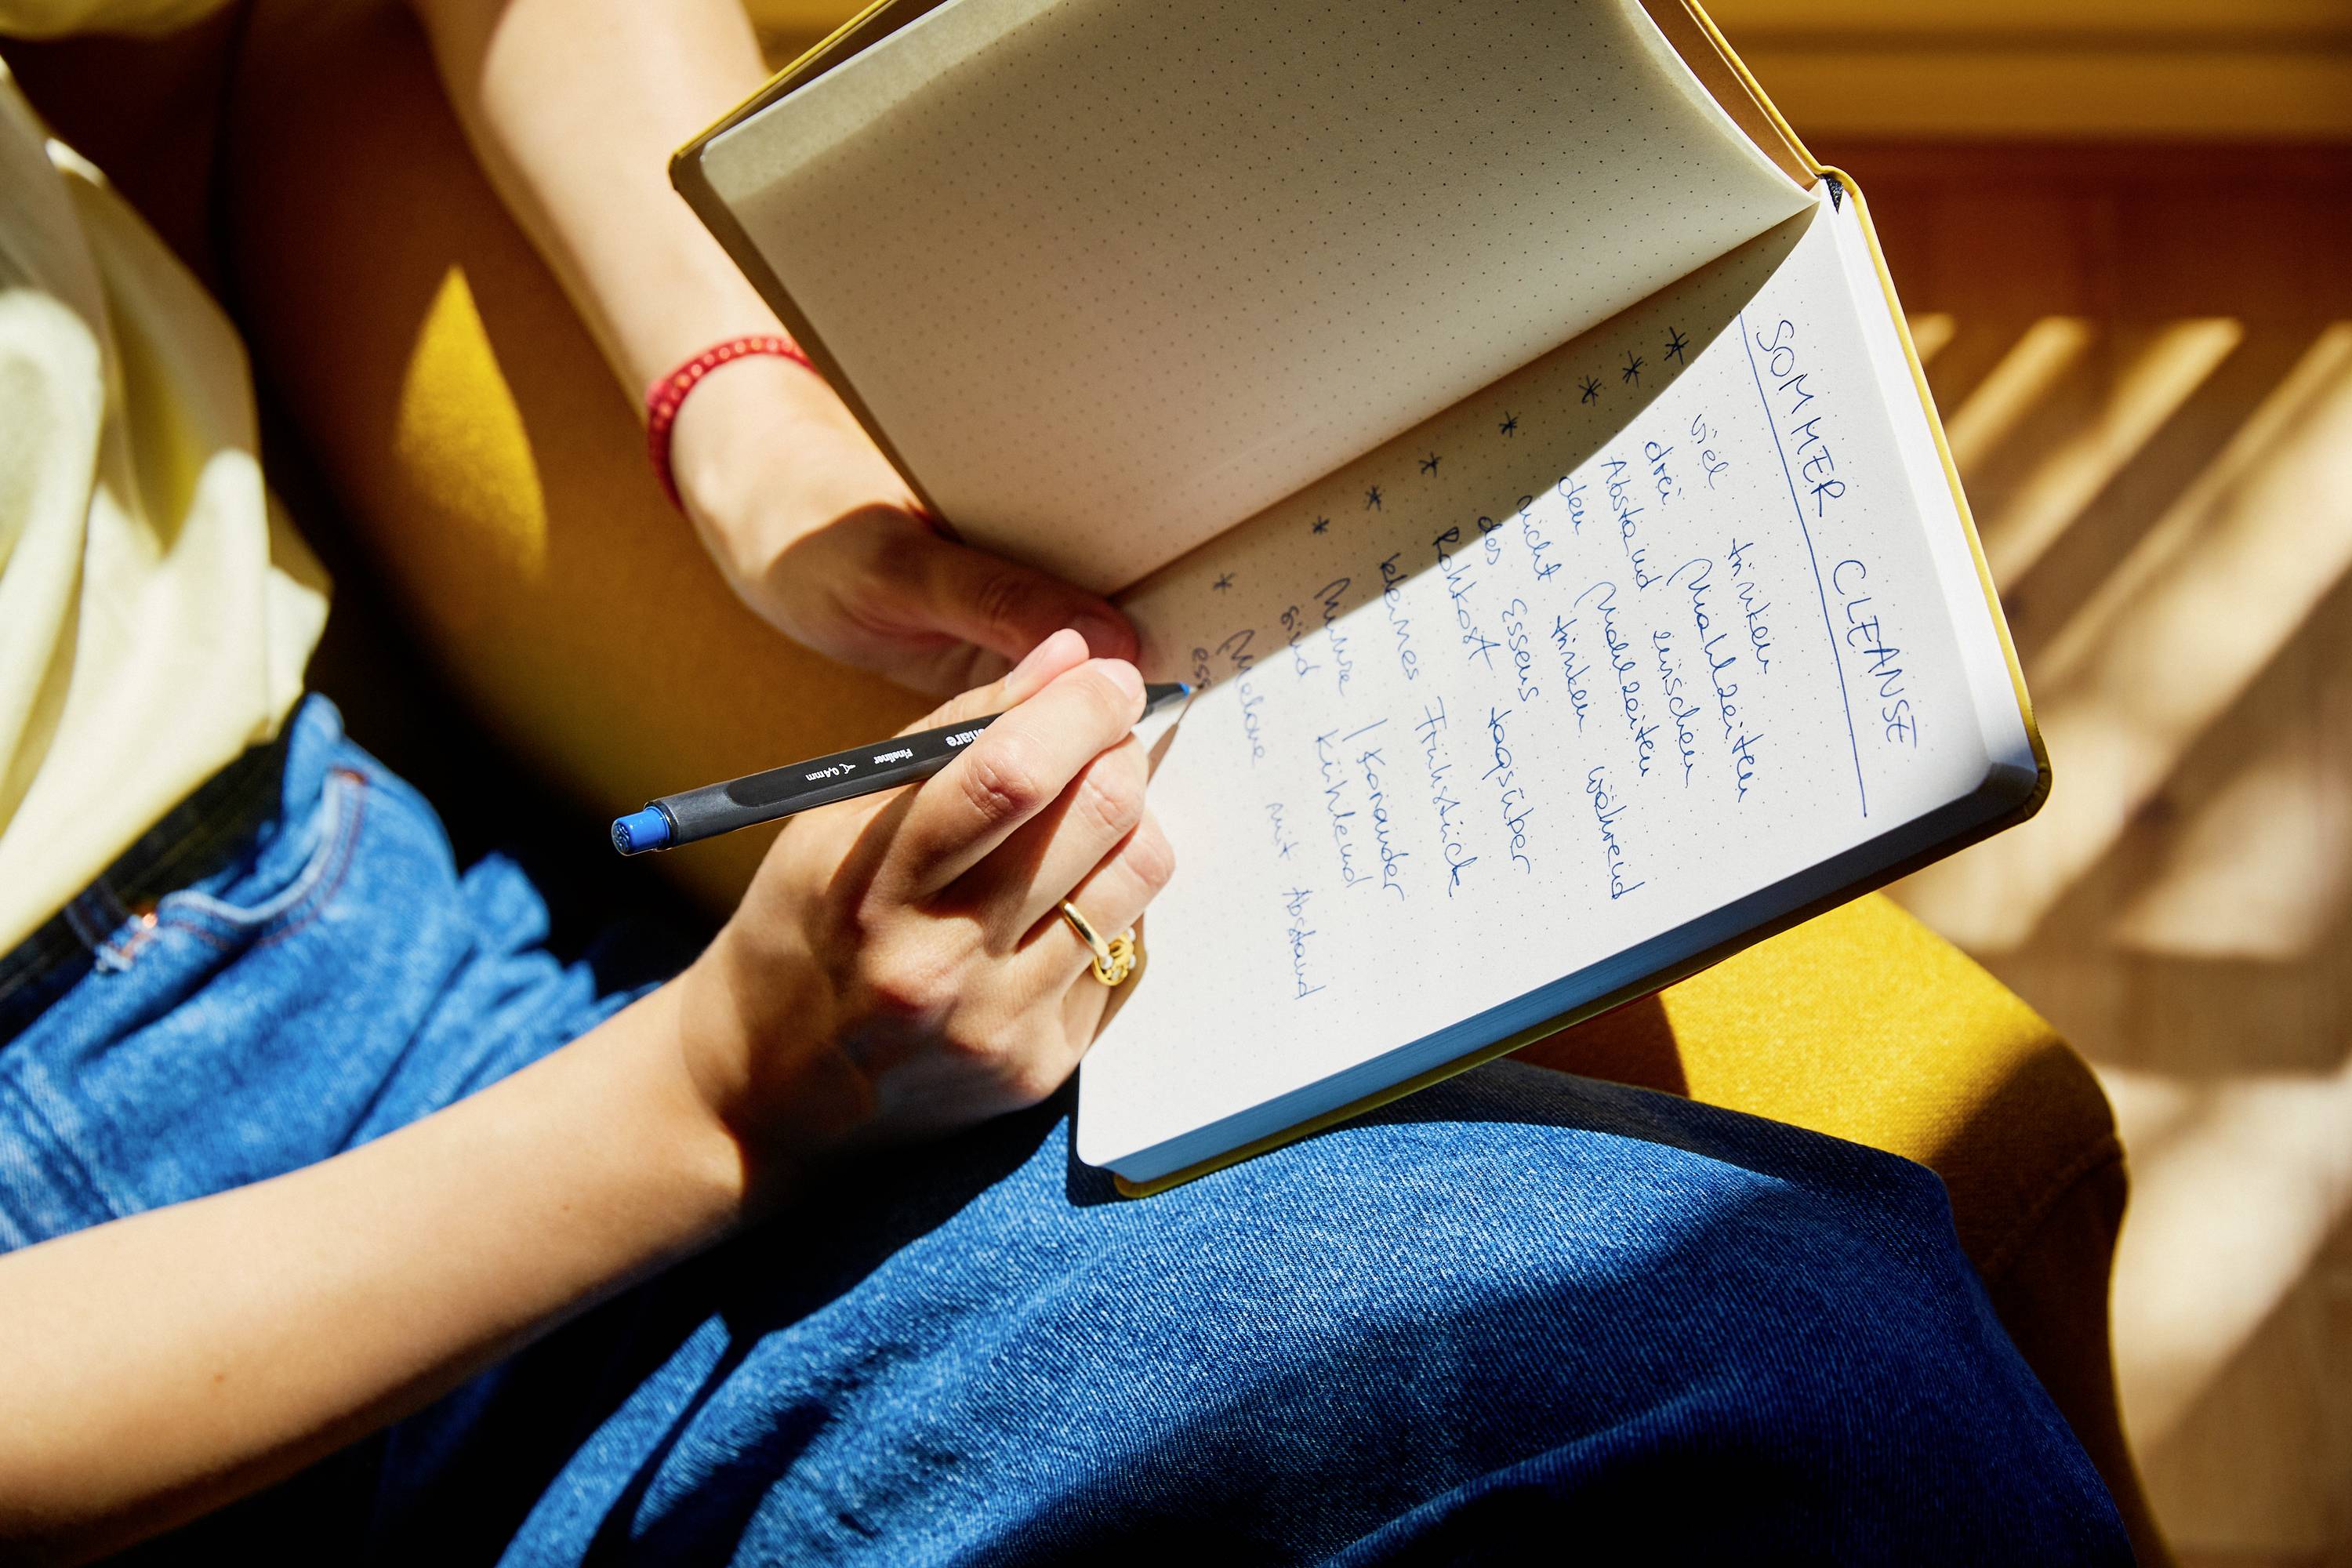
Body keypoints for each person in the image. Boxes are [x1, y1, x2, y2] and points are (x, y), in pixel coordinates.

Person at [0, 0, 2135, 1560]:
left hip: (373, 918)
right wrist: (715, 1097)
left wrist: (745, 422)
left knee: (1807, 1359)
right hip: (221, 1346)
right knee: (1775, 1396)